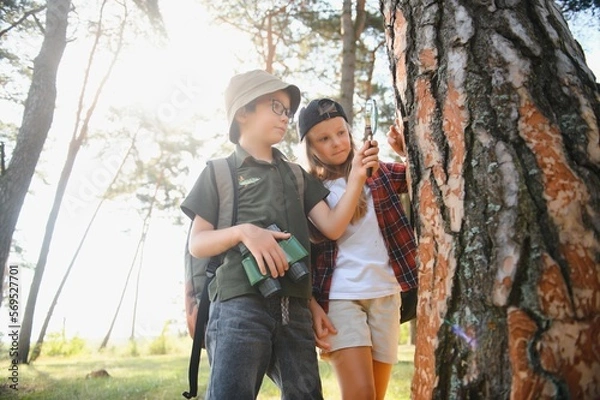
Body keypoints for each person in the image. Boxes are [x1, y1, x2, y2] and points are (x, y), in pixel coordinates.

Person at [180, 71, 379, 400]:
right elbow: (197, 244)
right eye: (276, 106)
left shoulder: (296, 176)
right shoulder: (218, 172)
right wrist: (246, 233)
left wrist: (357, 177)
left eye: (287, 110)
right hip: (237, 306)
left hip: (295, 310)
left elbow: (331, 226)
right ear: (243, 112)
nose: (285, 116)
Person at [298, 99, 418, 400]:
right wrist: (355, 176)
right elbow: (327, 232)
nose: (336, 143)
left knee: (376, 395)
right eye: (324, 139)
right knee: (360, 395)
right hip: (341, 297)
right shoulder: (310, 188)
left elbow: (425, 177)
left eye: (340, 132)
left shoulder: (378, 172)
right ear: (310, 148)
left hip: (386, 295)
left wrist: (405, 151)